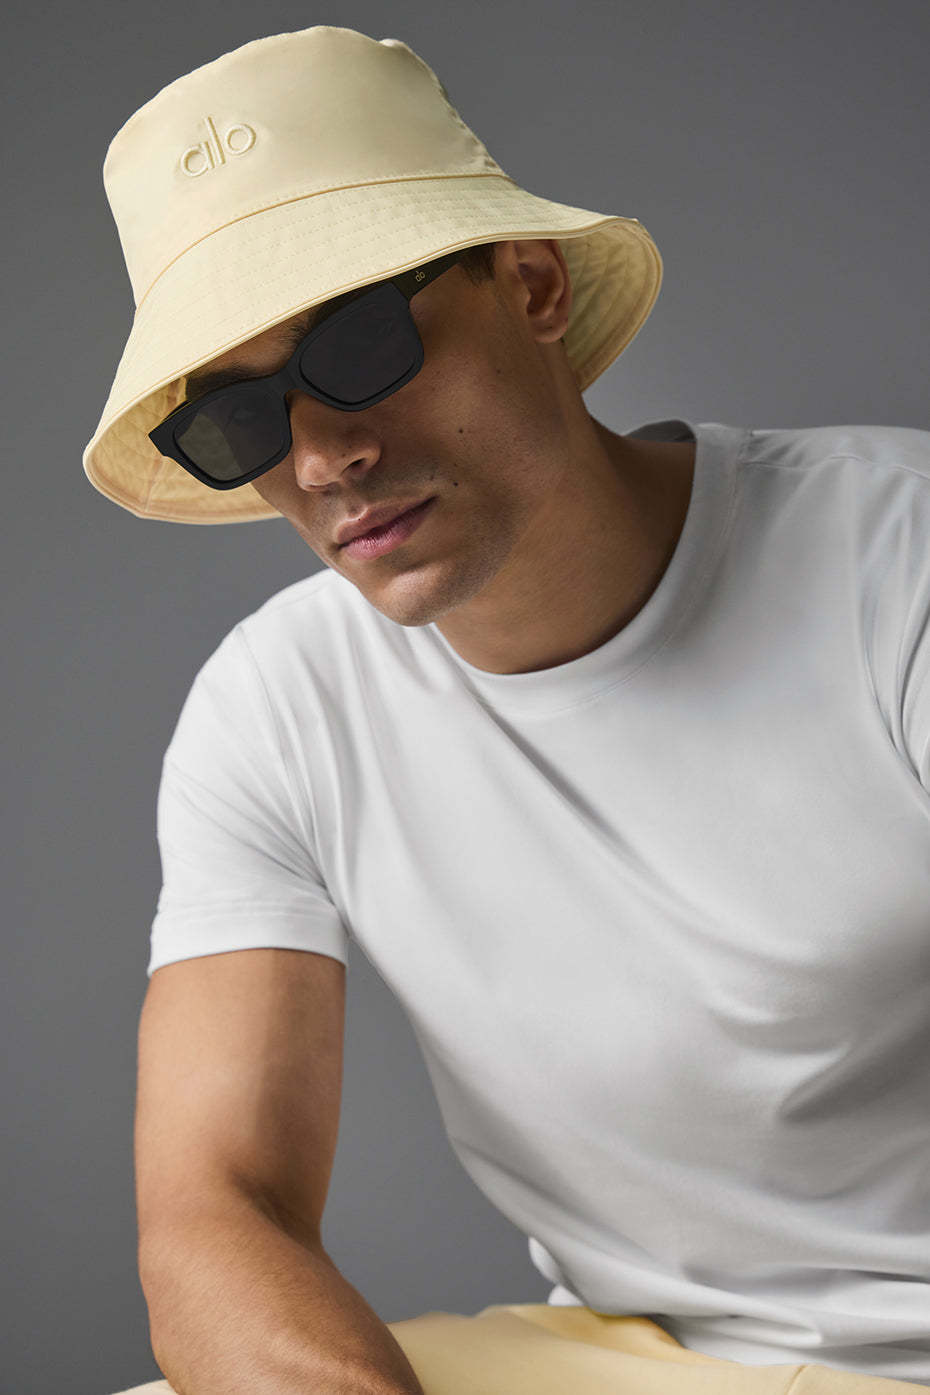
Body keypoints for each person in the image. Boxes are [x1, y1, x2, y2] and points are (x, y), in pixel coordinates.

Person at [83, 25, 930, 1395]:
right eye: (240, 421)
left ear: (531, 284)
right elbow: (213, 1212)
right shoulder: (280, 707)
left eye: (357, 344)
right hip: (638, 1366)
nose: (323, 459)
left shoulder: (898, 567)